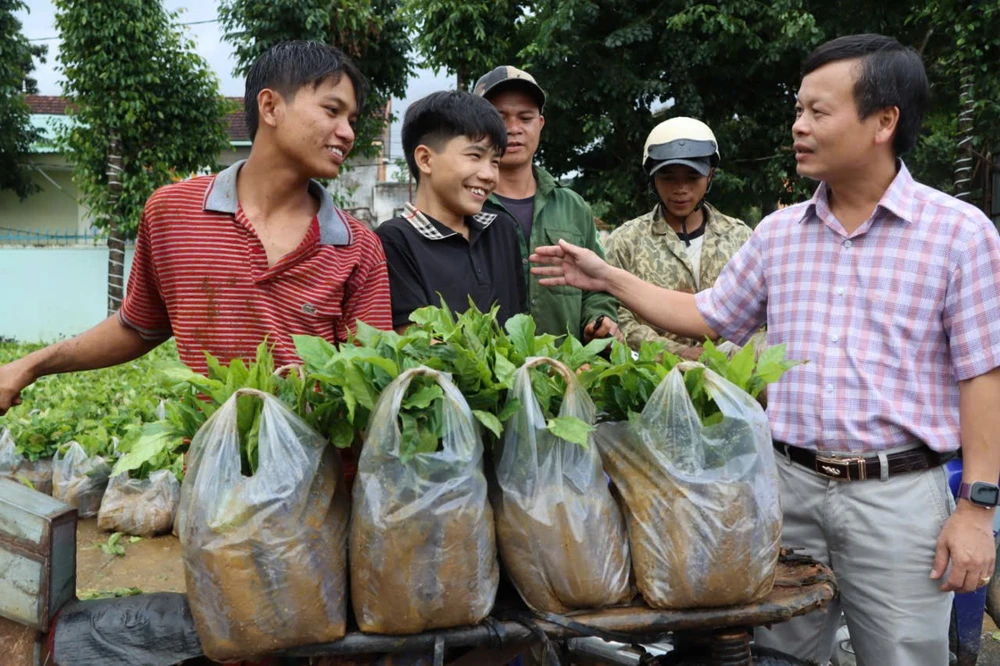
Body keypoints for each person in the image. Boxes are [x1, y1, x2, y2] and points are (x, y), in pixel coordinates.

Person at [531, 34, 1000, 666]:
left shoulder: (959, 235)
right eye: (798, 110)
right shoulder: (780, 235)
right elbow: (706, 315)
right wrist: (606, 276)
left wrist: (976, 510)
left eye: (817, 111)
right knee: (780, 656)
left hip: (897, 499)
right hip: (787, 490)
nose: (798, 126)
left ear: (883, 121)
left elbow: (983, 378)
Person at [0, 40, 392, 416]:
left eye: (351, 120)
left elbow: (367, 378)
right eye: (332, 110)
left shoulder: (358, 247)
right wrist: (30, 365)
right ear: (271, 107)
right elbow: (137, 326)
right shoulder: (172, 213)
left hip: (319, 477)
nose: (348, 132)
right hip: (209, 469)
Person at [473, 65, 619, 342]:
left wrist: (598, 320)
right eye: (499, 117)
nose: (513, 129)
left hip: (567, 374)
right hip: (487, 377)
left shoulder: (573, 207)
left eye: (525, 118)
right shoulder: (464, 206)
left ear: (540, 124)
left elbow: (599, 286)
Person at [375, 91, 525, 331]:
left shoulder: (502, 229)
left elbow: (520, 329)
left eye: (495, 161)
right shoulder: (393, 241)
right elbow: (418, 344)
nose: (489, 175)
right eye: (475, 155)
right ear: (425, 159)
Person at [605, 117, 752, 359]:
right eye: (668, 177)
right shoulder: (625, 242)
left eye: (692, 177)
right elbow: (616, 314)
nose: (680, 188)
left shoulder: (741, 239)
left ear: (710, 175)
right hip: (652, 382)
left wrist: (722, 355)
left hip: (732, 380)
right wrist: (678, 353)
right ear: (652, 179)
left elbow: (757, 314)